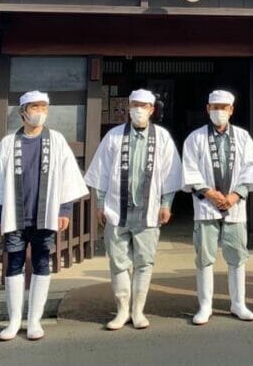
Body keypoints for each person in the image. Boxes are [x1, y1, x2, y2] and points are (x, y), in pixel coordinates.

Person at [0, 90, 88, 341]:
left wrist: (65, 210)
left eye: (43, 107)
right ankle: (14, 319)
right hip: (15, 216)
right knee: (13, 263)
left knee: (41, 262)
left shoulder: (56, 141)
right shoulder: (7, 143)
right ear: (22, 112)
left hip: (44, 215)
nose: (39, 112)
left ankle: (35, 320)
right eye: (34, 107)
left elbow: (68, 178)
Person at [84, 88, 183, 329]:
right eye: (134, 104)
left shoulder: (162, 137)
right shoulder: (114, 136)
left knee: (144, 261)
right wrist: (99, 203)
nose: (138, 109)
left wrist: (166, 204)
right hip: (117, 209)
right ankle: (121, 311)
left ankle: (138, 311)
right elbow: (101, 172)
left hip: (148, 210)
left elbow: (171, 173)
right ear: (129, 107)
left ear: (151, 109)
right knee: (117, 262)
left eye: (143, 105)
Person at [182, 90, 253, 325]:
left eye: (223, 107)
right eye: (215, 107)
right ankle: (205, 305)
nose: (219, 112)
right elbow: (189, 168)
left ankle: (238, 303)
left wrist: (236, 195)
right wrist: (209, 192)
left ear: (231, 110)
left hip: (235, 206)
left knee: (237, 256)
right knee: (205, 256)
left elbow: (252, 168)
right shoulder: (195, 138)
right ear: (207, 109)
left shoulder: (244, 137)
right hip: (206, 206)